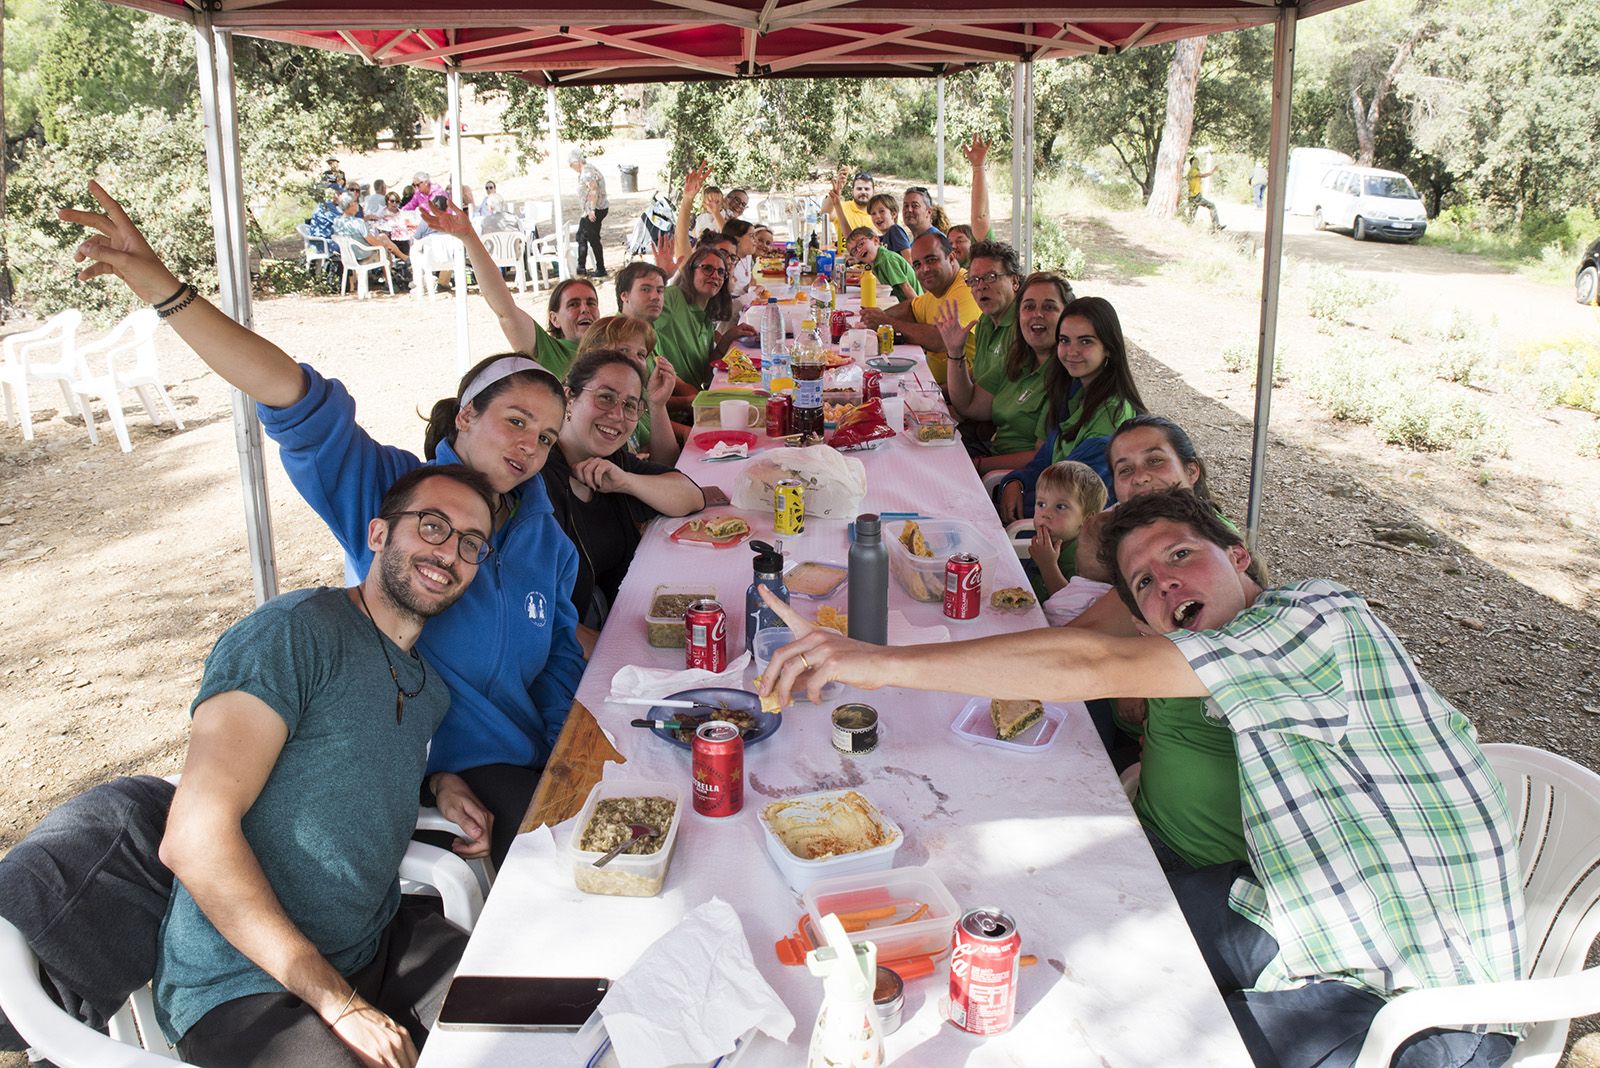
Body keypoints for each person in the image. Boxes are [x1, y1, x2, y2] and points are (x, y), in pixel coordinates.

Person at [757, 486, 1525, 1068]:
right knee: (1051, 918)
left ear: (1240, 556)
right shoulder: (1234, 660)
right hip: (1298, 909)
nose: (1167, 585)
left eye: (1181, 556)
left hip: (1422, 989)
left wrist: (874, 662)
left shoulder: (1319, 619)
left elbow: (1093, 664)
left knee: (1150, 1044)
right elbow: (1092, 656)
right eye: (1146, 585)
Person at [65, 182, 586, 868]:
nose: (528, 446)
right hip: (437, 776)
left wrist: (564, 761)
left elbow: (556, 661)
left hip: (525, 764)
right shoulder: (389, 490)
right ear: (466, 417)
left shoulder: (544, 536)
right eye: (515, 421)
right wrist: (164, 288)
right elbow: (292, 397)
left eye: (546, 438)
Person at [156, 464, 495, 1067]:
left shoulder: (428, 689)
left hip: (376, 943)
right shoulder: (291, 635)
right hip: (243, 983)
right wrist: (338, 1002)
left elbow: (343, 759)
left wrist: (438, 781)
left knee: (527, 1028)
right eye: (434, 526)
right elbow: (193, 840)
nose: (450, 553)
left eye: (471, 544)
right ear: (377, 534)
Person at [541, 349, 704, 654]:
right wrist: (610, 654)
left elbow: (691, 496)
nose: (617, 415)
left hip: (620, 617)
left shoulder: (613, 461)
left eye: (630, 405)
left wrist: (627, 482)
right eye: (605, 397)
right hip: (569, 647)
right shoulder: (540, 478)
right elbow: (540, 608)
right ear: (569, 398)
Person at [997, 297, 1148, 521]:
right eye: (1064, 340)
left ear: (1108, 348)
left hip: (1066, 537)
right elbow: (1045, 459)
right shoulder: (1074, 393)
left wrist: (1005, 503)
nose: (1071, 351)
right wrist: (1015, 481)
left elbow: (1068, 495)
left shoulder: (1111, 416)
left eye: (1085, 341)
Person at [420, 199, 596, 381]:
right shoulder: (550, 351)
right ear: (554, 319)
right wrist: (469, 238)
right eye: (573, 304)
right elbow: (505, 311)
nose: (585, 309)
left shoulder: (614, 342)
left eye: (591, 303)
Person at [940, 258, 1069, 476]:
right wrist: (955, 352)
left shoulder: (1064, 374)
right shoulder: (1019, 357)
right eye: (1028, 307)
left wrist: (977, 465)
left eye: (1049, 307)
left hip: (1008, 475)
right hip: (990, 452)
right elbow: (970, 406)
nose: (1037, 314)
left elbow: (1041, 458)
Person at [857, 230, 978, 388]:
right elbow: (912, 308)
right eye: (917, 265)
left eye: (932, 260)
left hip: (958, 392)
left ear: (951, 258)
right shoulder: (939, 288)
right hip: (935, 383)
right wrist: (874, 318)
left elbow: (943, 339)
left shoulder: (967, 287)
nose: (924, 269)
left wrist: (886, 322)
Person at [575, 315, 681, 464]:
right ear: (592, 355)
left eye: (641, 354)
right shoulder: (582, 402)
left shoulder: (631, 403)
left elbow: (667, 462)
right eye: (623, 350)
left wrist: (657, 404)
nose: (634, 359)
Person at [656, 244, 756, 396]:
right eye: (707, 268)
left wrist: (728, 338)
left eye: (721, 272)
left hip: (695, 400)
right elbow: (635, 314)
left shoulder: (706, 320)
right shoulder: (673, 298)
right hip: (672, 405)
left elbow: (706, 375)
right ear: (691, 271)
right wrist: (661, 277)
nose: (715, 275)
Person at [1027, 459, 1107, 604]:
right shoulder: (1051, 539)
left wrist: (1048, 566)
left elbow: (1070, 603)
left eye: (1060, 507)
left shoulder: (1084, 557)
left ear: (1087, 519)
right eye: (1041, 504)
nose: (1046, 513)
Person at [845, 227, 918, 304]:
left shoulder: (887, 260)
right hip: (901, 303)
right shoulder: (876, 261)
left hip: (912, 304)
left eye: (861, 244)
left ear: (876, 240)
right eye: (854, 251)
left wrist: (920, 311)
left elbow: (906, 287)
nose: (859, 250)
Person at [332, 192, 409, 264]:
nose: (358, 204)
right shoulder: (358, 222)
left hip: (349, 257)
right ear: (352, 204)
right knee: (385, 248)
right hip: (363, 256)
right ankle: (390, 275)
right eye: (356, 201)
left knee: (382, 237)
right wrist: (386, 246)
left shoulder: (337, 221)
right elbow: (373, 242)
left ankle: (404, 258)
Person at [570, 148, 610, 277]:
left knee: (593, 239)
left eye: (571, 164)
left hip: (596, 209)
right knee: (581, 236)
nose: (571, 167)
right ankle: (581, 266)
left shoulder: (587, 172)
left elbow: (594, 190)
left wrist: (592, 209)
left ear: (577, 161)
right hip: (588, 211)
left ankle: (601, 268)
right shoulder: (585, 171)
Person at [961, 134, 994, 249]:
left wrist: (978, 167)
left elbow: (979, 217)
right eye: (950, 243)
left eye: (960, 240)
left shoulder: (982, 252)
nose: (954, 246)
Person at [825, 169, 876, 246]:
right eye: (859, 189)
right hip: (843, 256)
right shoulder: (841, 207)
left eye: (867, 189)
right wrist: (833, 194)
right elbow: (825, 214)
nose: (863, 192)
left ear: (873, 192)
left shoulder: (879, 214)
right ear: (852, 191)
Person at [1186, 155, 1224, 230]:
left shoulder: (1193, 171)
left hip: (1193, 196)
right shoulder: (1193, 171)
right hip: (1196, 196)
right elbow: (1204, 175)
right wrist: (1213, 170)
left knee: (1192, 215)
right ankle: (1216, 226)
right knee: (1212, 206)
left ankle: (1187, 229)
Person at [722, 218, 758, 298]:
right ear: (737, 240)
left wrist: (750, 288)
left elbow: (743, 286)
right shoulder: (727, 264)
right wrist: (753, 293)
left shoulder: (748, 256)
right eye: (751, 236)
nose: (756, 240)